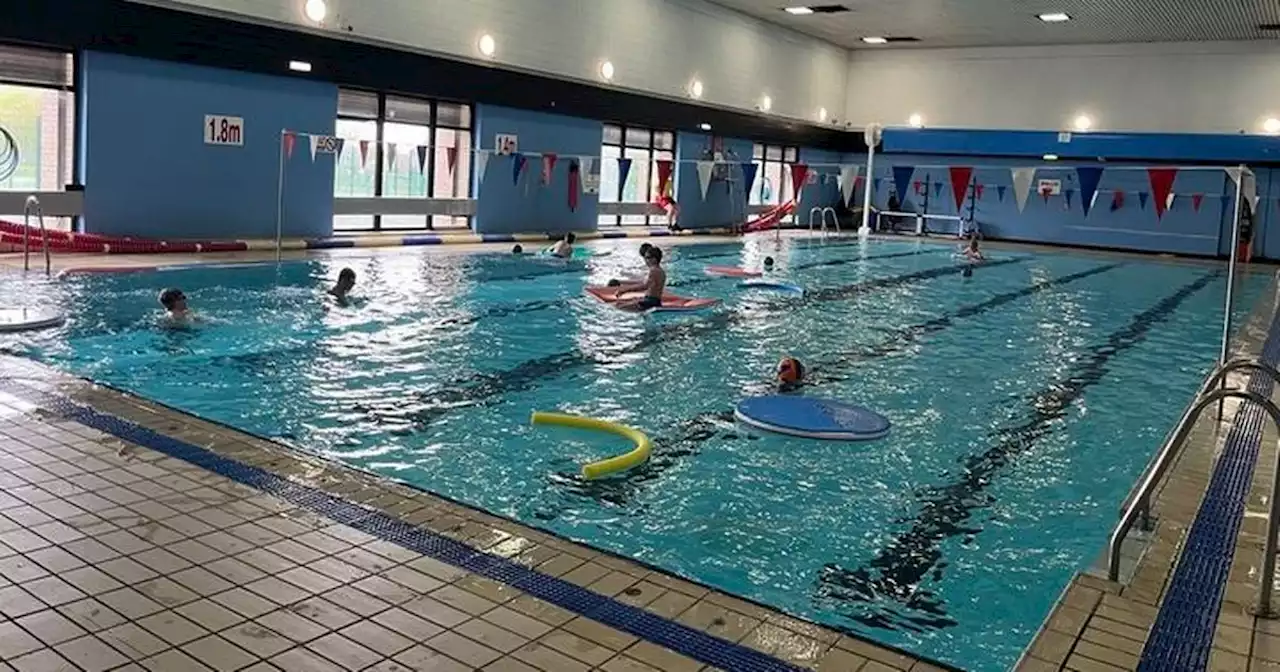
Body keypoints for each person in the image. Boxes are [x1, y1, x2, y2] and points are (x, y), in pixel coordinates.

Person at [616, 246, 666, 311]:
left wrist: (624, 290)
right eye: (645, 258)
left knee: (619, 307)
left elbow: (645, 286)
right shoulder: (661, 271)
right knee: (620, 304)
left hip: (650, 302)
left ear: (654, 259)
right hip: (652, 301)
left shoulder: (654, 270)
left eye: (647, 258)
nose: (645, 260)